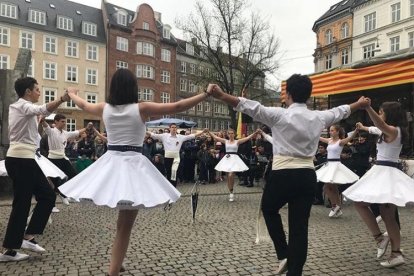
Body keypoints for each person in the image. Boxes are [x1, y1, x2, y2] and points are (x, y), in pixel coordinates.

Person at [209, 74, 370, 275]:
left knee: (268, 209)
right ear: (308, 97)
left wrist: (222, 95)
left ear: (288, 95)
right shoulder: (318, 117)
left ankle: (283, 254)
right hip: (306, 175)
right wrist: (359, 103)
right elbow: (341, 111)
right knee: (299, 228)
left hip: (283, 173)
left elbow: (249, 106)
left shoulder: (279, 114)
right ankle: (295, 272)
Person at [58, 68, 213, 276]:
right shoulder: (141, 108)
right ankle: (113, 271)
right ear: (133, 88)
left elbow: (84, 104)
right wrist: (205, 94)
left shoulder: (105, 108)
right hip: (132, 165)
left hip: (112, 163)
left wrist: (71, 93)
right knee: (125, 225)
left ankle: (117, 259)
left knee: (123, 222)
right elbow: (177, 106)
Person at [0, 77, 69, 262]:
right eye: (37, 89)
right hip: (20, 160)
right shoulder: (20, 106)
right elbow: (40, 109)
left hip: (26, 160)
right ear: (28, 92)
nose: (39, 92)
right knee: (24, 203)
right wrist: (62, 99)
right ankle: (14, 246)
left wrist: (38, 122)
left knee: (46, 196)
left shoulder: (24, 111)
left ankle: (22, 240)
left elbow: (33, 134)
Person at [344, 104, 414, 268]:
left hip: (386, 174)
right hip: (381, 172)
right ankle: (381, 239)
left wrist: (368, 108)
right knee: (362, 204)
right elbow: (374, 129)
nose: (380, 115)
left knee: (388, 215)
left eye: (381, 112)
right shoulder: (388, 130)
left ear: (389, 114)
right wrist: (362, 127)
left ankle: (395, 252)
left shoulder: (394, 130)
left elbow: (380, 126)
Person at [39, 114, 86, 206]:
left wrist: (87, 128)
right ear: (56, 121)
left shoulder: (65, 133)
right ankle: (52, 205)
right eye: (62, 121)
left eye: (65, 121)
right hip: (53, 159)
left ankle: (63, 194)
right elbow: (45, 126)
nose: (64, 123)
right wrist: (43, 121)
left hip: (63, 158)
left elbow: (76, 132)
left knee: (73, 175)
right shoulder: (51, 132)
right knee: (53, 182)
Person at [316, 125, 359, 218]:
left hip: (336, 165)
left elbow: (350, 137)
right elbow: (318, 137)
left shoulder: (340, 142)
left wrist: (356, 130)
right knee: (333, 188)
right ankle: (337, 208)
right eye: (330, 130)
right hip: (329, 165)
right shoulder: (329, 140)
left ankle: (335, 206)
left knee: (327, 187)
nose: (330, 132)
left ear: (337, 132)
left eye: (332, 130)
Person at [207, 128, 258, 202]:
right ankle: (230, 191)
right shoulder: (226, 141)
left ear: (234, 134)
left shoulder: (237, 141)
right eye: (229, 133)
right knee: (228, 177)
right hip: (227, 159)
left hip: (234, 159)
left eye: (232, 133)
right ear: (227, 134)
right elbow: (216, 137)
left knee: (231, 175)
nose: (230, 135)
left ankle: (231, 191)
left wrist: (254, 133)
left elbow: (247, 138)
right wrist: (208, 131)